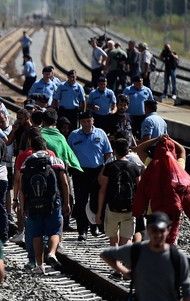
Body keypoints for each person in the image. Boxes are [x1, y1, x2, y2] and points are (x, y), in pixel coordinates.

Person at [100, 211, 190, 301]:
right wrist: (126, 272)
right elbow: (106, 254)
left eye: (162, 230)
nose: (158, 235)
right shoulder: (138, 250)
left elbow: (187, 290)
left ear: (168, 230)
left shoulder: (177, 257)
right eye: (154, 230)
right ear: (147, 230)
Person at [18, 136, 70, 274]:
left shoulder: (27, 163)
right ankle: (52, 253)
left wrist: (23, 207)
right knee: (54, 231)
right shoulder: (55, 161)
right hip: (53, 202)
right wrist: (66, 202)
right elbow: (64, 183)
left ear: (32, 148)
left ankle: (40, 266)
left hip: (33, 204)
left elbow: (23, 188)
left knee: (37, 235)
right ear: (46, 148)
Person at [97, 138, 140, 278]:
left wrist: (99, 211)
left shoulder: (110, 167)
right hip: (129, 208)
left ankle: (117, 271)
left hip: (113, 208)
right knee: (127, 239)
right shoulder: (134, 168)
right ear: (128, 151)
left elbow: (102, 190)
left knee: (113, 239)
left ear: (114, 151)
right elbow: (139, 190)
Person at [68, 111, 113, 240]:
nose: (86, 124)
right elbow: (68, 154)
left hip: (97, 172)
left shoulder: (101, 133)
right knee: (81, 201)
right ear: (80, 123)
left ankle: (95, 227)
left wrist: (107, 171)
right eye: (84, 122)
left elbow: (108, 154)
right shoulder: (74, 135)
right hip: (80, 172)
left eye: (89, 121)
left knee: (95, 201)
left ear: (93, 121)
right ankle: (82, 230)